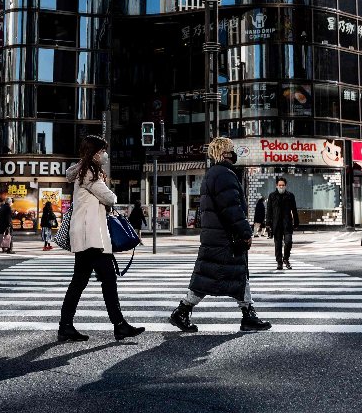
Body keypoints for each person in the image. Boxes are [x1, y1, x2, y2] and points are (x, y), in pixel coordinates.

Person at [170, 137, 272, 333]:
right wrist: (245, 231)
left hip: (216, 236)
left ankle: (247, 313)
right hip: (225, 238)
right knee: (216, 276)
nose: (235, 153)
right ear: (225, 153)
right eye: (232, 150)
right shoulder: (224, 174)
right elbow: (231, 208)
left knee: (223, 275)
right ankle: (184, 310)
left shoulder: (213, 173)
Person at [59, 135, 145, 341]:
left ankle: (66, 326)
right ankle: (119, 325)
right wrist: (110, 193)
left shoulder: (82, 171)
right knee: (107, 279)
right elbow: (109, 197)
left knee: (80, 282)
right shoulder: (89, 172)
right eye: (101, 151)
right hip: (91, 236)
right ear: (94, 152)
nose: (104, 154)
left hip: (87, 235)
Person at [266, 177, 300, 270]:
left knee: (288, 242)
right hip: (276, 224)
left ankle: (286, 258)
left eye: (283, 185)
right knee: (278, 244)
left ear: (285, 186)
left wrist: (296, 223)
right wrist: (268, 223)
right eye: (280, 185)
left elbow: (294, 209)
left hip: (287, 223)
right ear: (276, 186)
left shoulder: (290, 196)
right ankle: (279, 262)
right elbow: (269, 210)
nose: (281, 187)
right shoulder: (272, 196)